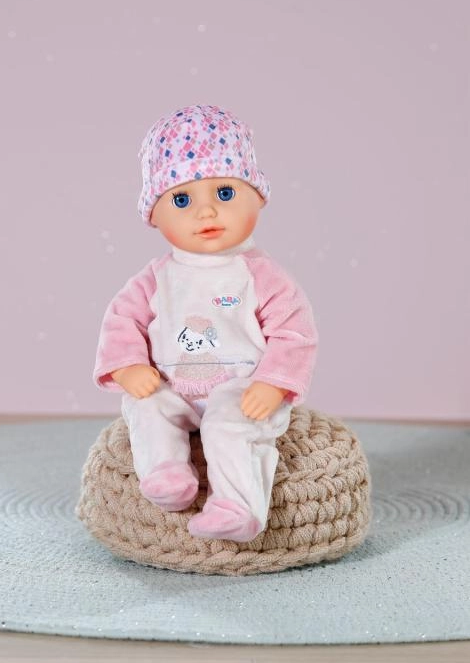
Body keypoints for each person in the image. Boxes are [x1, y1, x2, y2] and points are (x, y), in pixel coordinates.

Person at [93, 104, 319, 542]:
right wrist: (128, 366)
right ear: (154, 214)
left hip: (240, 389)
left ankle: (238, 506)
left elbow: (294, 333)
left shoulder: (262, 276)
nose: (207, 212)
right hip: (171, 385)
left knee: (231, 424)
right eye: (182, 200)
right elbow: (121, 320)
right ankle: (166, 473)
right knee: (146, 406)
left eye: (225, 193)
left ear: (258, 196)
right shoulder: (156, 278)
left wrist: (273, 383)